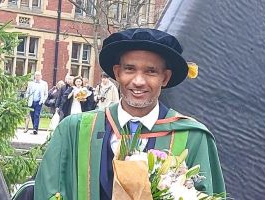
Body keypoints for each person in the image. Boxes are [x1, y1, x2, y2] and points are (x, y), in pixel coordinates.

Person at [34, 28, 225, 199]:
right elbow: (49, 191)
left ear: (165, 78)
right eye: (129, 69)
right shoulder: (74, 130)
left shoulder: (193, 137)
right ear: (117, 73)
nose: (138, 81)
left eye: (151, 71)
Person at [25, 71, 48, 135]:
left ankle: (35, 129)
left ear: (41, 76)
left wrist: (43, 101)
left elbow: (46, 94)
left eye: (39, 75)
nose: (37, 77)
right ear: (34, 76)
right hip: (31, 101)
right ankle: (34, 128)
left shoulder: (44, 83)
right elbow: (27, 92)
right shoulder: (31, 83)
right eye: (36, 75)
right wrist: (27, 98)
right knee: (32, 115)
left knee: (37, 114)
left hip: (39, 102)